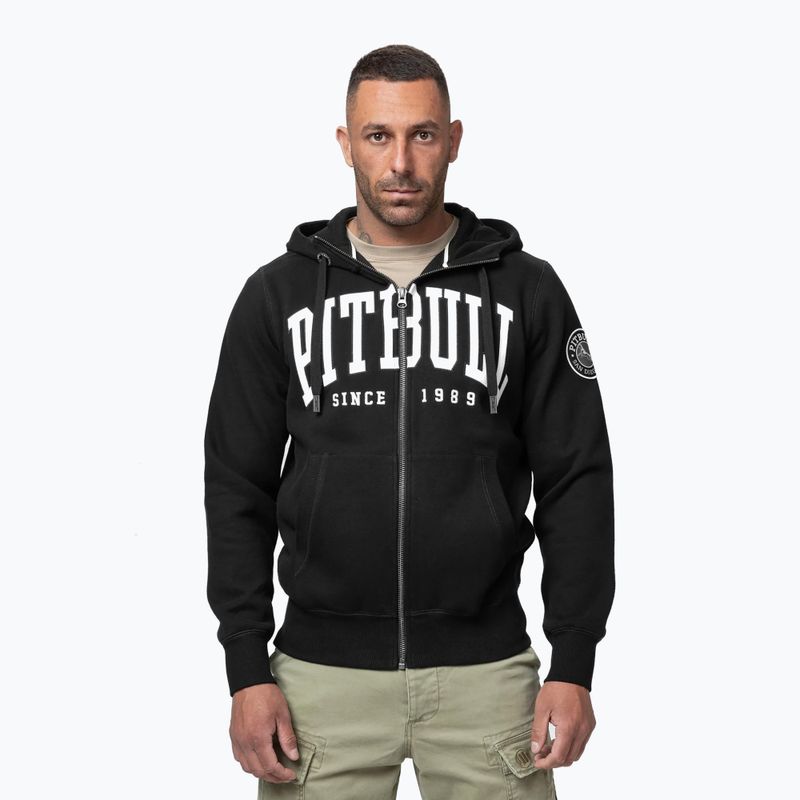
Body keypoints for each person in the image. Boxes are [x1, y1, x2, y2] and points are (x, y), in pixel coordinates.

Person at [204, 43, 615, 800]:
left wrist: (574, 662)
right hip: (318, 684)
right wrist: (245, 669)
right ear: (346, 143)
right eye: (378, 135)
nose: (400, 162)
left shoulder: (526, 291)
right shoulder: (277, 296)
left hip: (487, 679)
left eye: (422, 135)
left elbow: (577, 480)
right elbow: (237, 487)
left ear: (452, 140)